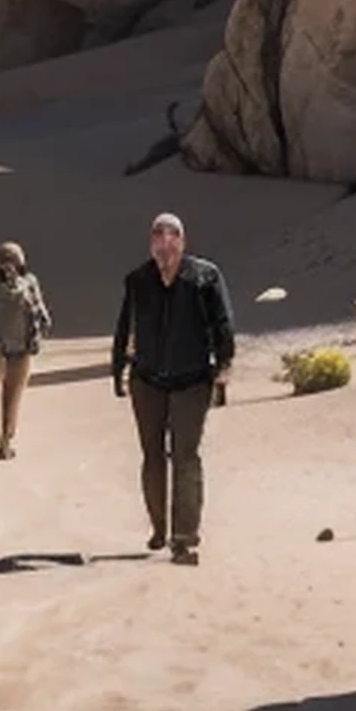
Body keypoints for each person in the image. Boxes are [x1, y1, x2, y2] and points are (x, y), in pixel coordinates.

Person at [112, 213, 234, 563]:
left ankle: (185, 536)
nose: (165, 242)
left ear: (183, 241)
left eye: (172, 235)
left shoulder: (204, 277)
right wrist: (118, 367)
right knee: (152, 455)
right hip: (147, 379)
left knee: (185, 455)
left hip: (193, 379)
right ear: (150, 242)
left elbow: (222, 323)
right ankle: (158, 528)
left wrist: (224, 367)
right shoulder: (137, 280)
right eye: (158, 235)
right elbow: (125, 325)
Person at [0, 240, 51, 459]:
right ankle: (6, 438)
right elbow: (41, 311)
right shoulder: (30, 281)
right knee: (13, 395)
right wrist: (43, 328)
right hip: (22, 346)